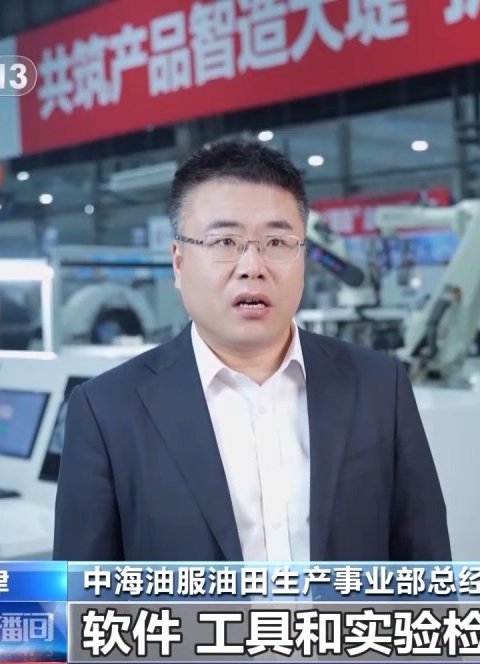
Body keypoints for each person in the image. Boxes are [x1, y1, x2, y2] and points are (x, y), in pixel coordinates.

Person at [53, 140, 452, 563]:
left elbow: (424, 569)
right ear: (179, 262)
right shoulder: (107, 412)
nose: (252, 267)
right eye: (225, 241)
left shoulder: (379, 387)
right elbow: (83, 593)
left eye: (277, 243)